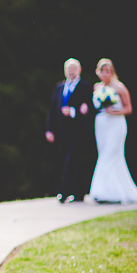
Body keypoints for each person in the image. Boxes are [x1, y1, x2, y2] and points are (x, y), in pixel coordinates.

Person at [88, 59, 137, 205]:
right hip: (101, 124)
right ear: (97, 72)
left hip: (116, 124)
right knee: (104, 155)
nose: (104, 74)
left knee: (111, 154)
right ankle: (109, 191)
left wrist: (115, 111)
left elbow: (128, 108)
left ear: (112, 72)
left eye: (107, 71)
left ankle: (105, 192)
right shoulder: (96, 87)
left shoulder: (119, 87)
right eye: (102, 71)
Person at [45, 58, 94, 203]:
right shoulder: (59, 87)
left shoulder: (85, 87)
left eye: (73, 69)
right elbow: (53, 109)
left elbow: (90, 110)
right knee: (70, 162)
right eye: (68, 69)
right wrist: (49, 129)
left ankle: (64, 192)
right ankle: (78, 193)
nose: (71, 72)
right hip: (62, 132)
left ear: (79, 70)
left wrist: (73, 111)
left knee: (71, 161)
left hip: (78, 132)